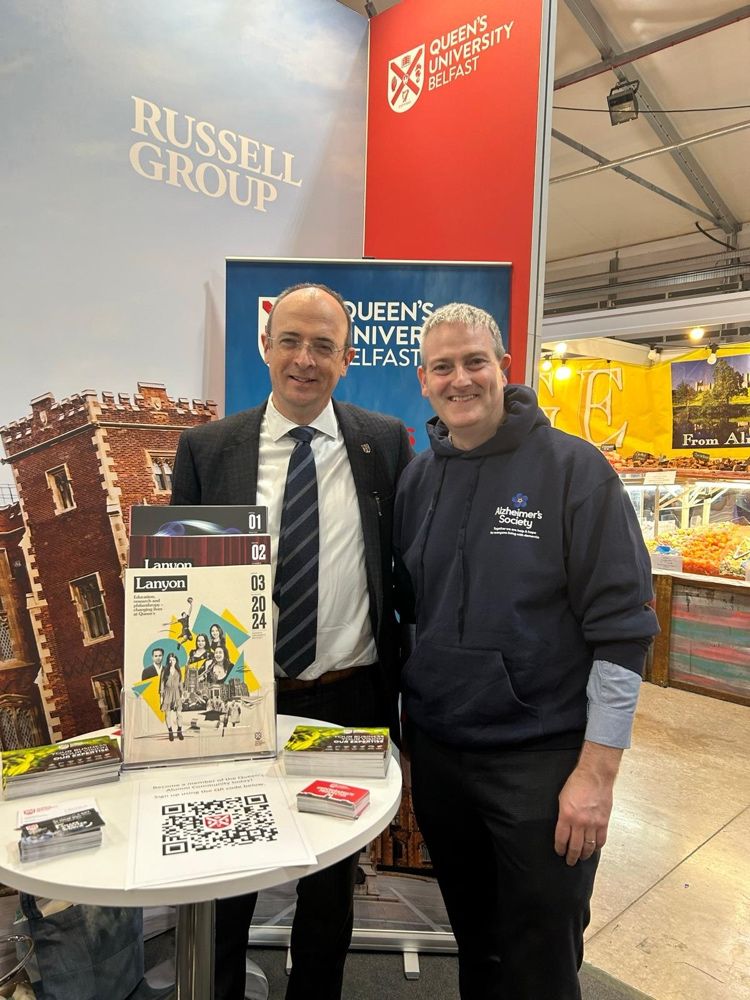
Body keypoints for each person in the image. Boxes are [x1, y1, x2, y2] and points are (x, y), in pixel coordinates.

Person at [393, 303, 659, 1000]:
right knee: (476, 950)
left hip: (542, 766)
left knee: (540, 960)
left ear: (505, 368)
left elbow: (624, 631)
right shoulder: (418, 480)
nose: (461, 379)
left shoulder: (575, 471)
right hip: (444, 759)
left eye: (475, 361)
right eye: (443, 366)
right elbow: (413, 611)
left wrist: (597, 775)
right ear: (423, 379)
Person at [170, 281, 412, 1000]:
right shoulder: (209, 451)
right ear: (266, 347)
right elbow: (183, 585)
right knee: (226, 872)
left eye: (324, 347)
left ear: (347, 358)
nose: (305, 360)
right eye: (292, 342)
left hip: (349, 697)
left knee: (330, 880)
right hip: (237, 701)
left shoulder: (384, 445)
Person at [159, 651, 184, 742]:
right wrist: (161, 698)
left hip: (177, 693)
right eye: (170, 660)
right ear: (168, 661)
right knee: (167, 714)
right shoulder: (165, 670)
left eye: (173, 660)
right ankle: (170, 732)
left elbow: (180, 682)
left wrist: (182, 694)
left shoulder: (178, 670)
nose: (171, 661)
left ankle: (179, 730)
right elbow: (162, 683)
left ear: (176, 661)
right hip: (167, 693)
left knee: (179, 714)